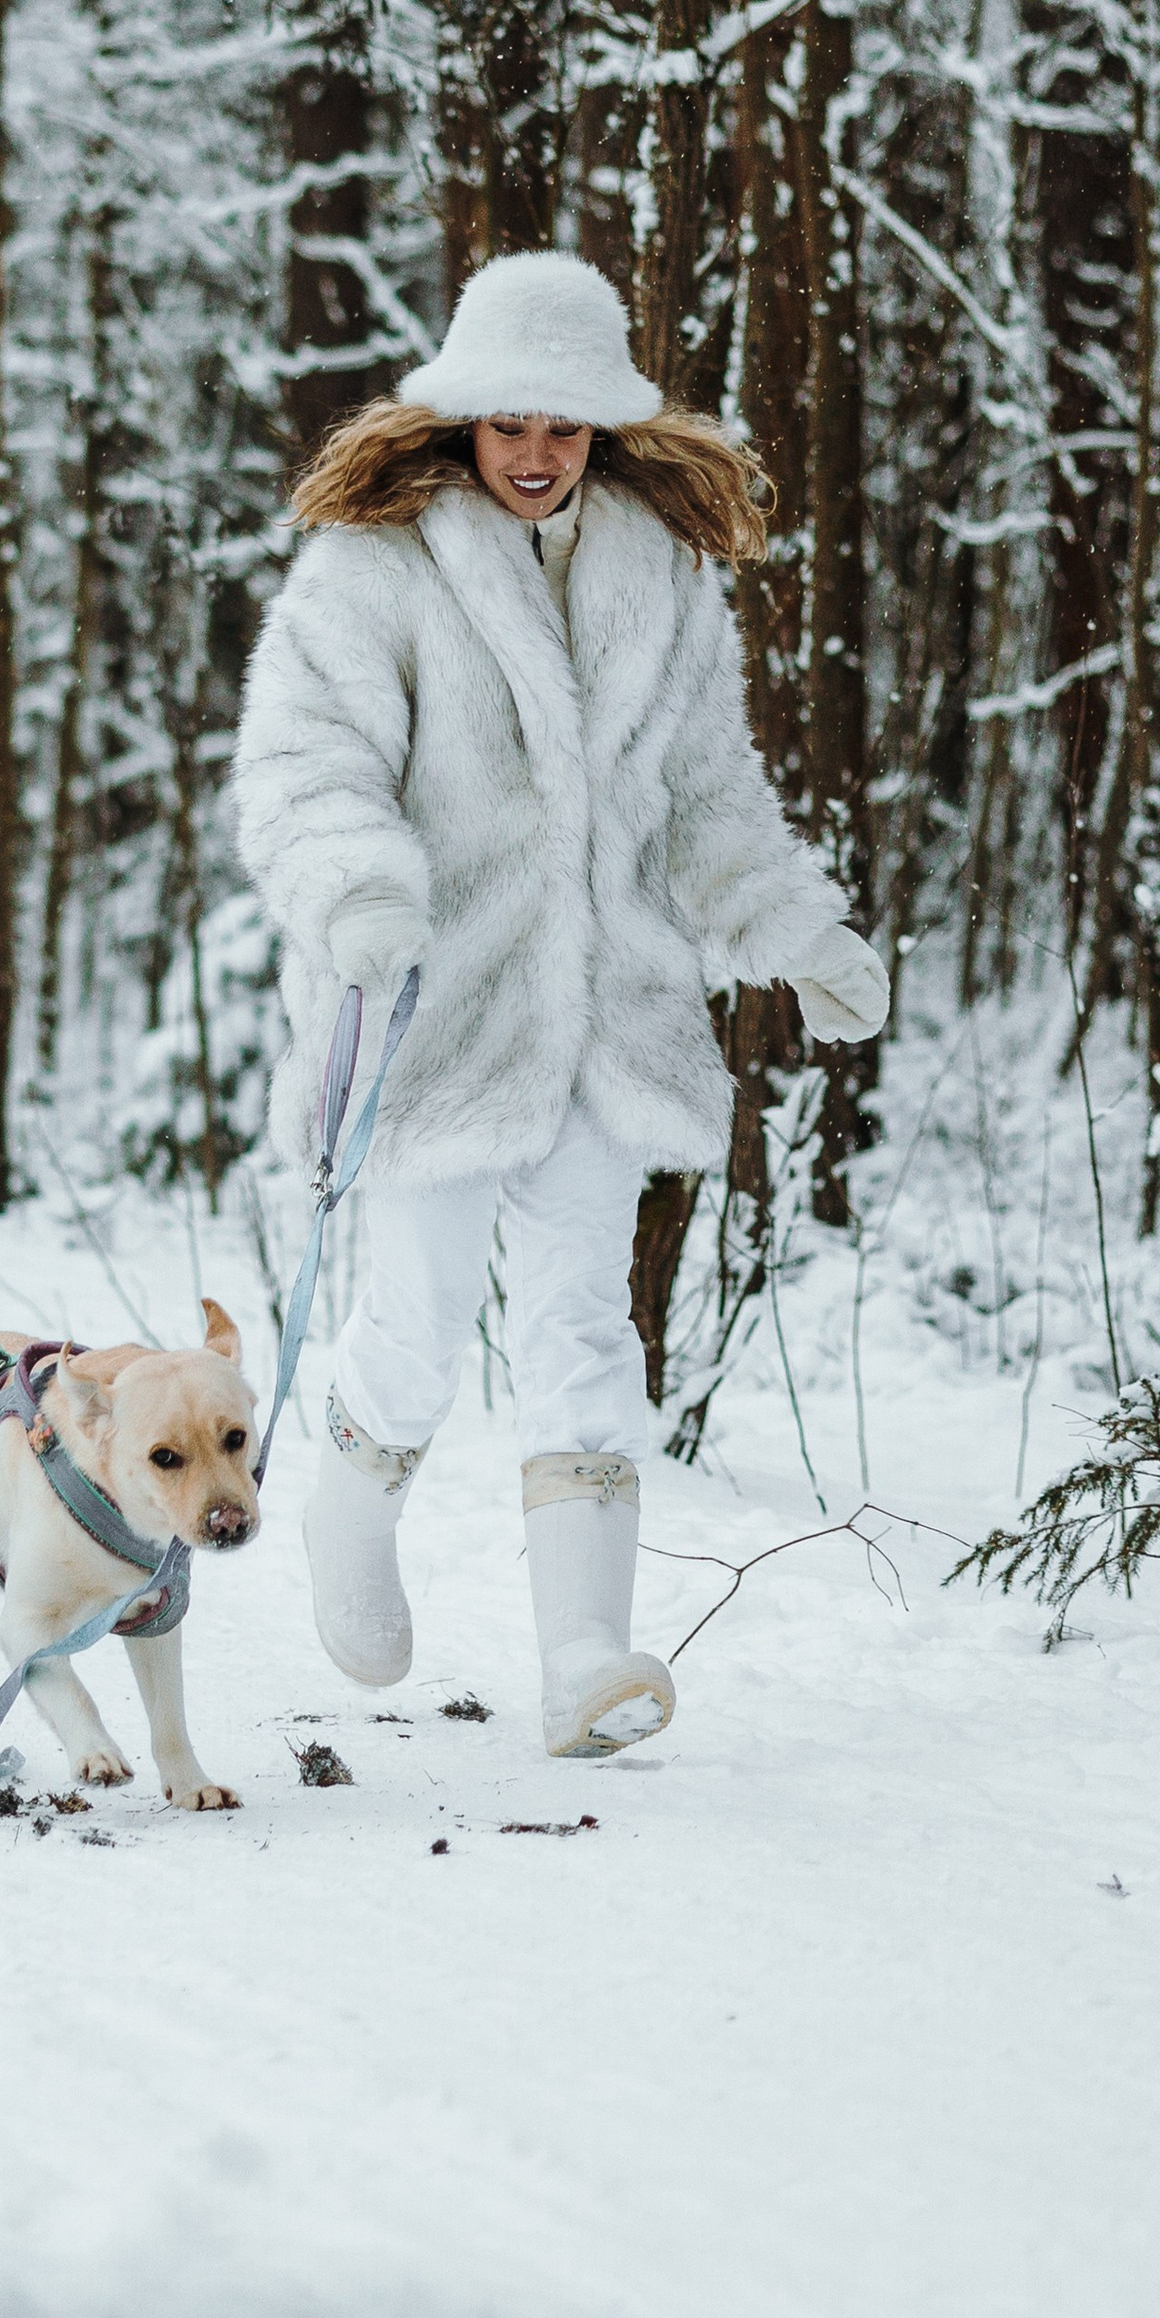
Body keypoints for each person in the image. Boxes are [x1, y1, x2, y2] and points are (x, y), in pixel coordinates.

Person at [231, 251, 889, 1759]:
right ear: (462, 416)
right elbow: (302, 761)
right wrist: (358, 884)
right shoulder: (375, 564)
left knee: (590, 1325)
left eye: (568, 427)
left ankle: (585, 1653)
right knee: (420, 1316)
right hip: (433, 1015)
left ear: (608, 428)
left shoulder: (663, 574)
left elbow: (704, 797)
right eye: (510, 421)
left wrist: (795, 926)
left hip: (610, 1021)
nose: (536, 453)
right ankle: (348, 1510)